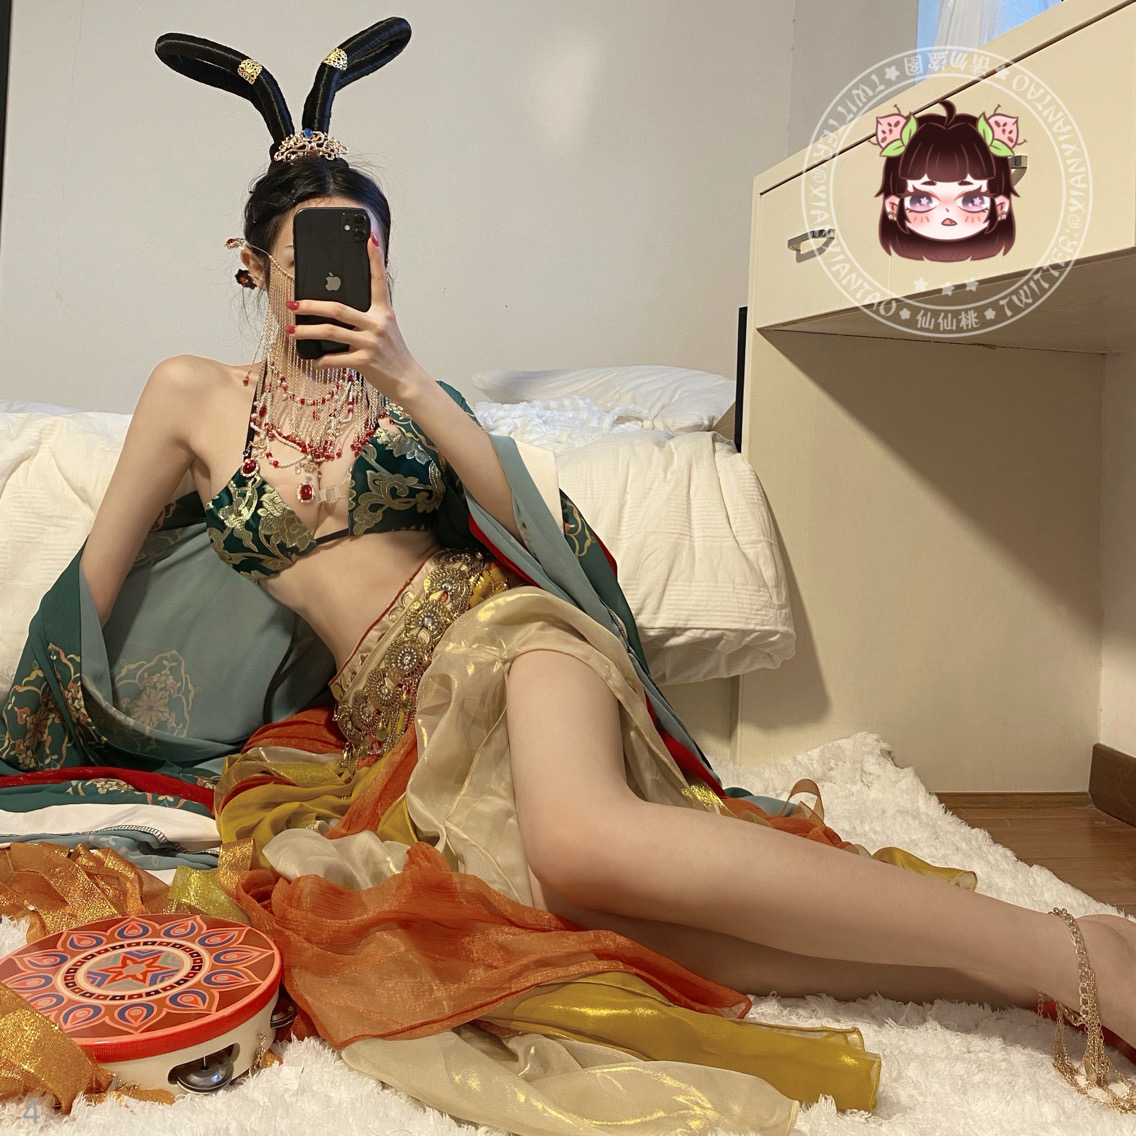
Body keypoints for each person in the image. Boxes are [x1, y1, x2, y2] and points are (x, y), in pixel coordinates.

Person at [0, 18, 1132, 1129]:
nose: (337, 281)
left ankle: (1064, 951)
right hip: (400, 733)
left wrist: (407, 378)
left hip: (505, 638)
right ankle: (1040, 971)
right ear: (251, 263)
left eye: (365, 255)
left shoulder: (410, 392)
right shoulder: (191, 395)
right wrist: (44, 737)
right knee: (590, 917)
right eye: (308, 260)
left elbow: (518, 518)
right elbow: (93, 587)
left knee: (582, 842)